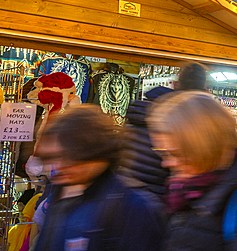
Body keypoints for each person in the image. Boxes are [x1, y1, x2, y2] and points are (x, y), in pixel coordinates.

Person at [149, 91, 237, 251]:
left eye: (175, 153)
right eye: (163, 152)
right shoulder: (188, 192)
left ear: (202, 148)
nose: (166, 162)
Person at [34, 105, 163, 251]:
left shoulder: (134, 208)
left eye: (67, 157)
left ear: (91, 151)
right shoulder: (61, 191)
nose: (57, 166)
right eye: (52, 158)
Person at [121, 61, 209, 202]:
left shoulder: (142, 112)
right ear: (204, 91)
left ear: (175, 84)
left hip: (126, 193)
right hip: (156, 202)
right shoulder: (187, 125)